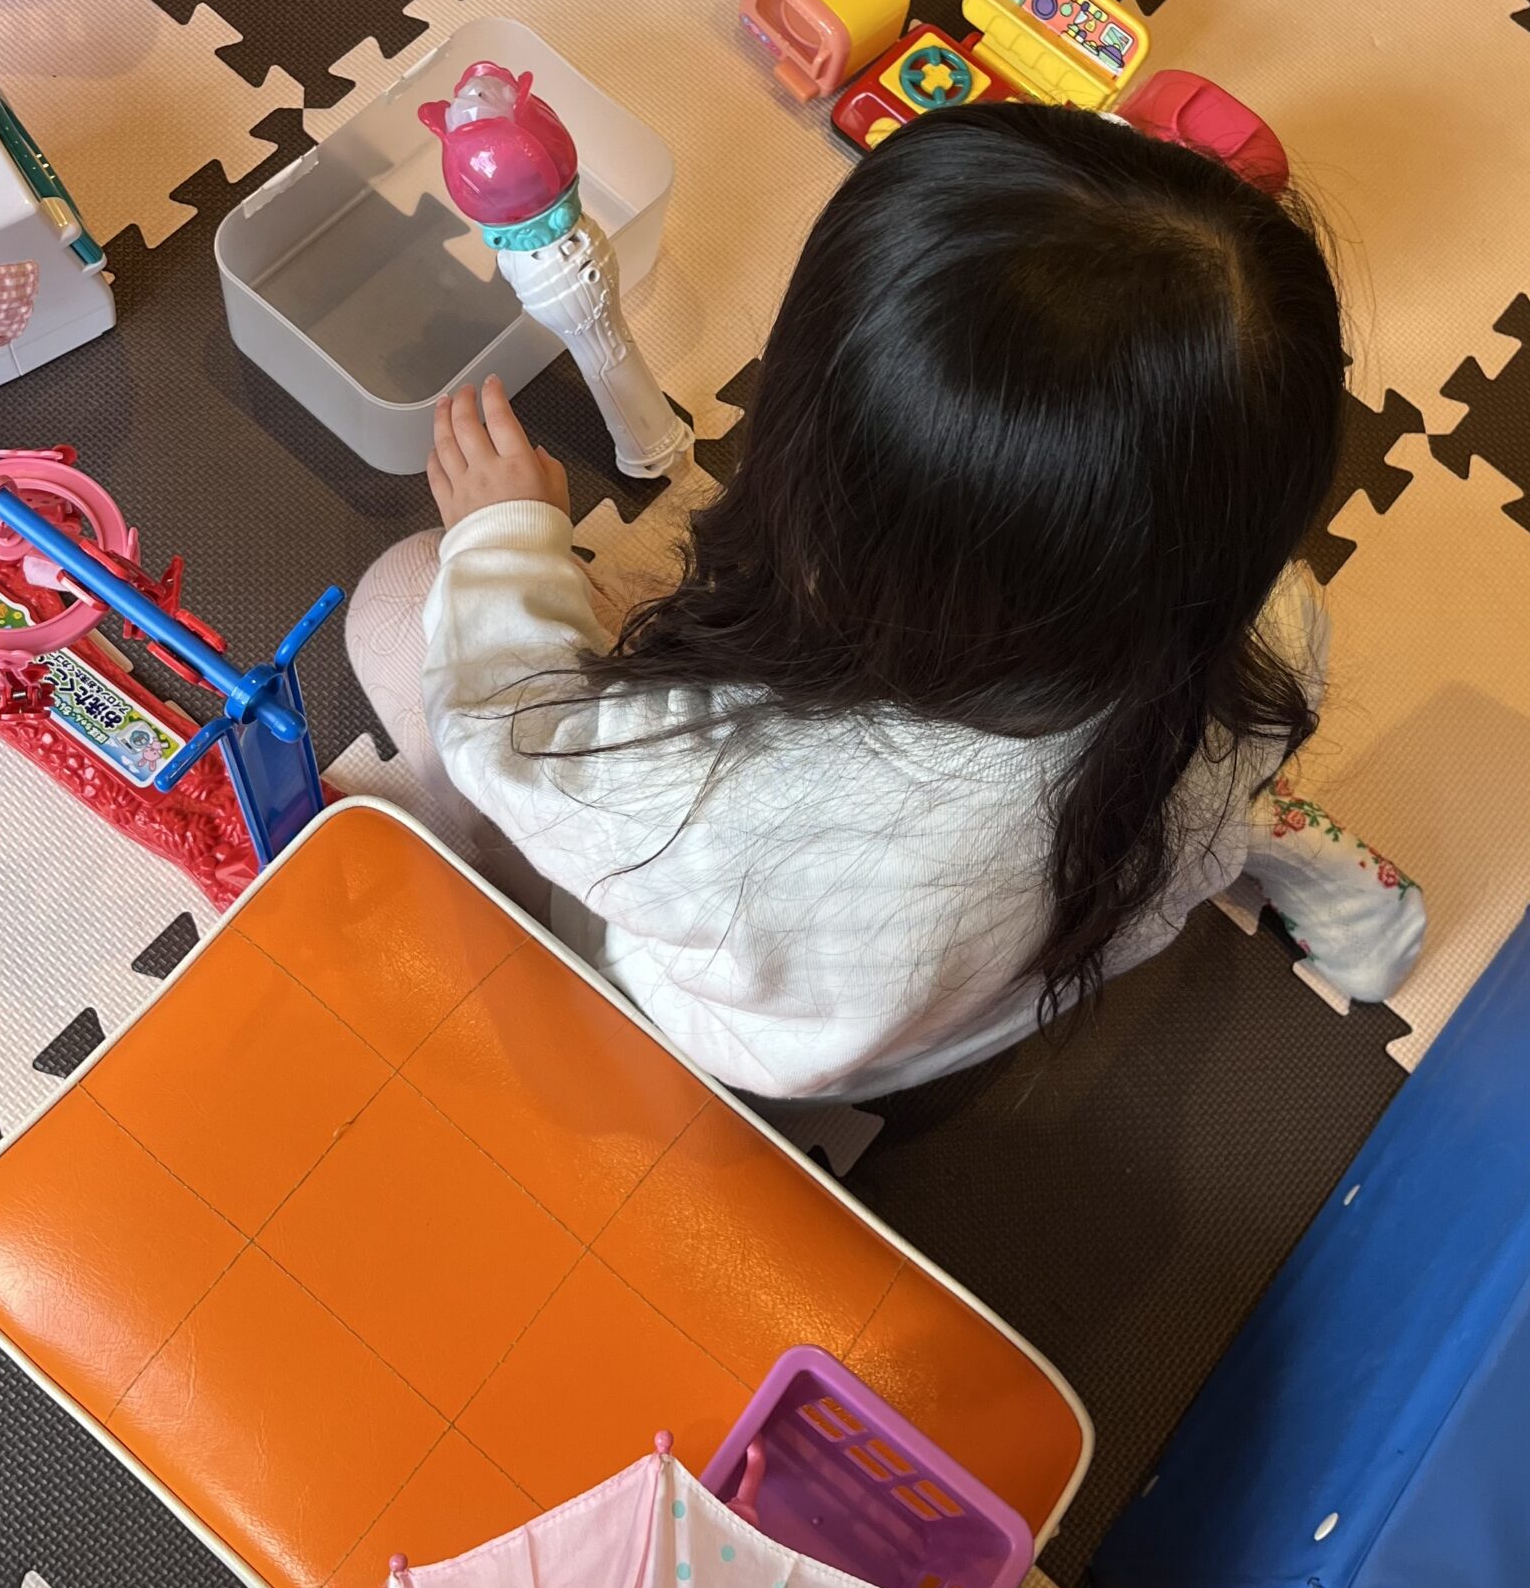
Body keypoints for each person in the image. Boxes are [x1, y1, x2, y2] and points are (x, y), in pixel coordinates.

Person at [345, 102, 1423, 1102]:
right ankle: (1250, 828)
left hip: (790, 1027)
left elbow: (512, 731)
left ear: (836, 514)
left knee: (404, 603)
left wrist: (503, 536)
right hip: (1071, 900)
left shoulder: (722, 807)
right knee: (1193, 770)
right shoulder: (1279, 617)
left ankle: (487, 884)